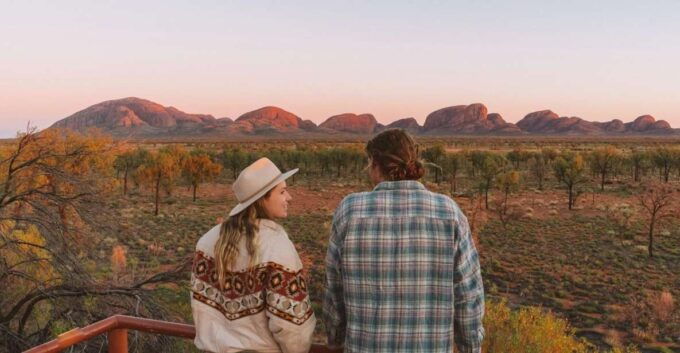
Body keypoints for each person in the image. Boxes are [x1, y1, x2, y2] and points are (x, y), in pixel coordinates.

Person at [323, 129, 485, 353]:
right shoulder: (448, 212)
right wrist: (471, 347)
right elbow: (468, 293)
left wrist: (335, 340)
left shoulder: (350, 210)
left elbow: (334, 288)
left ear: (375, 163)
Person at [191, 157, 316, 353]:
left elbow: (201, 309)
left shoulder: (207, 241)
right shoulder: (276, 247)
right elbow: (292, 327)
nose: (289, 197)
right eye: (282, 191)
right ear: (262, 198)